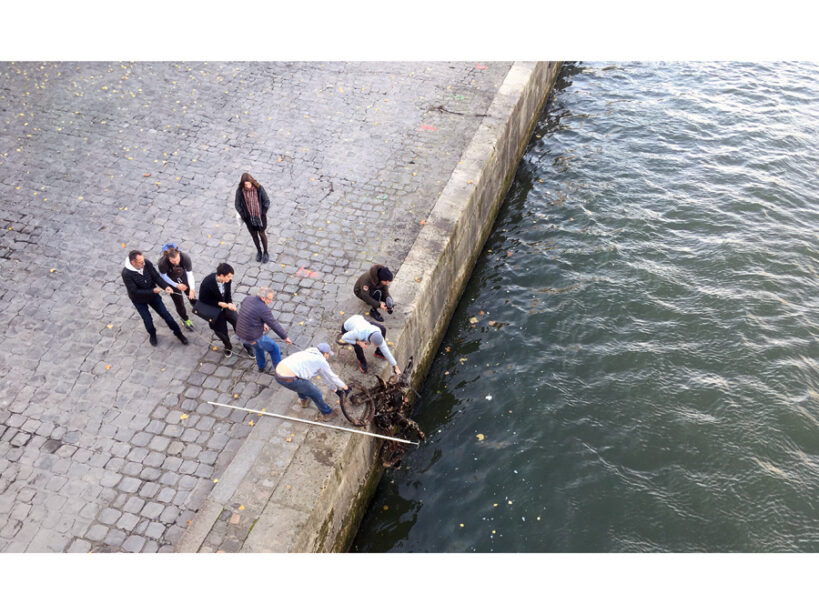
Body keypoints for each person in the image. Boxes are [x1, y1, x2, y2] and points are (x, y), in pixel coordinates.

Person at [121, 250, 189, 347]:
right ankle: (152, 334)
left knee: (166, 315)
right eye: (140, 262)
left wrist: (165, 286)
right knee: (147, 320)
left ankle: (179, 334)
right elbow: (134, 291)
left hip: (153, 296)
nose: (144, 264)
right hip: (139, 300)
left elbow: (156, 277)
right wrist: (152, 290)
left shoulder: (146, 263)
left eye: (143, 260)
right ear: (133, 262)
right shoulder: (126, 273)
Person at [274, 343, 348, 421]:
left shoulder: (309, 352)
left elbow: (323, 375)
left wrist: (334, 388)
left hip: (278, 374)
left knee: (303, 384)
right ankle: (327, 413)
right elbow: (332, 377)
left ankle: (304, 400)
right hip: (289, 379)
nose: (328, 356)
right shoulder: (321, 361)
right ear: (325, 353)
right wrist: (344, 386)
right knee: (316, 393)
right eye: (328, 354)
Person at [198, 263, 254, 359]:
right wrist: (219, 303)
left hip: (226, 307)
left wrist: (230, 303)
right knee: (221, 331)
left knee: (239, 324)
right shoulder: (207, 283)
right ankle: (228, 346)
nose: (230, 279)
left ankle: (247, 346)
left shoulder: (227, 280)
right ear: (221, 275)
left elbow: (228, 294)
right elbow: (203, 300)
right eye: (228, 276)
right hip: (214, 310)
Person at [236, 286, 291, 371]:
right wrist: (285, 337)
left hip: (240, 332)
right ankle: (279, 371)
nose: (271, 301)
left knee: (259, 347)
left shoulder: (248, 299)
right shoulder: (263, 309)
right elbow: (273, 324)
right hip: (251, 336)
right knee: (274, 348)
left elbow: (248, 312)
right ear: (262, 298)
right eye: (269, 299)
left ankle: (261, 366)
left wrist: (261, 323)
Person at [157, 244, 196, 331]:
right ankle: (185, 319)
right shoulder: (162, 263)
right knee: (179, 303)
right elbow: (164, 276)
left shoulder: (185, 258)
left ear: (179, 254)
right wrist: (176, 285)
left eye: (178, 259)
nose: (177, 262)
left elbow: (189, 274)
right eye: (173, 261)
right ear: (168, 258)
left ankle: (193, 304)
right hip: (171, 280)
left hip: (182, 275)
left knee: (191, 294)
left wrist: (192, 289)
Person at [234, 172, 271, 263]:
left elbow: (266, 201)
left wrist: (263, 213)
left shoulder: (259, 188)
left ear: (252, 182)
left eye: (249, 184)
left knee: (262, 234)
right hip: (249, 218)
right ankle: (259, 251)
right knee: (254, 235)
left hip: (260, 217)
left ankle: (266, 252)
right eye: (245, 185)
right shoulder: (240, 191)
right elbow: (237, 205)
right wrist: (244, 215)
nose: (247, 186)